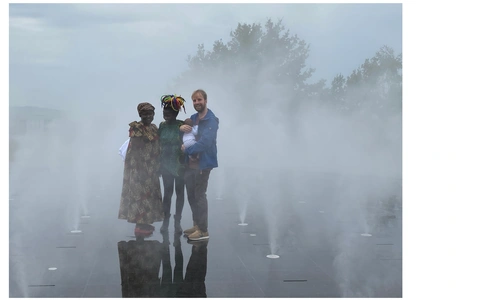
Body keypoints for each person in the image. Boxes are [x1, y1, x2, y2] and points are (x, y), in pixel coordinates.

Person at [118, 102, 163, 236]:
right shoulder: (137, 128)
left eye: (150, 114)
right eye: (144, 114)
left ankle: (145, 223)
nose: (148, 116)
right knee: (139, 196)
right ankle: (139, 225)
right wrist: (141, 169)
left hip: (151, 167)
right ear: (139, 114)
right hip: (139, 168)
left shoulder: (154, 128)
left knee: (148, 196)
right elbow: (137, 149)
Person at [180, 89, 219, 241]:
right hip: (190, 163)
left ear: (205, 100)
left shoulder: (211, 120)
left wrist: (188, 149)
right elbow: (186, 135)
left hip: (203, 163)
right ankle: (196, 224)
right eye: (194, 100)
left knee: (200, 195)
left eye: (199, 100)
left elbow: (206, 142)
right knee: (191, 195)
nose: (197, 103)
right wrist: (180, 129)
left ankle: (203, 230)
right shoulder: (193, 118)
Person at [158, 94, 188, 233]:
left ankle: (178, 222)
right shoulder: (162, 126)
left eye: (169, 113)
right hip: (165, 163)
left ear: (175, 113)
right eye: (165, 113)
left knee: (180, 193)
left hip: (180, 163)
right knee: (167, 194)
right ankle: (165, 222)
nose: (166, 115)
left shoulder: (181, 125)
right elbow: (158, 144)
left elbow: (191, 137)